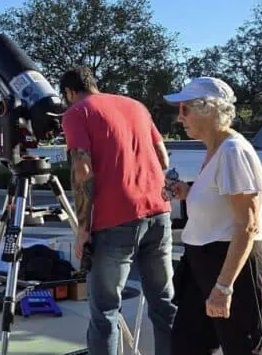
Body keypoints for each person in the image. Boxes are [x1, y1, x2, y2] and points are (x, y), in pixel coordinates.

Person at [59, 66, 177, 355]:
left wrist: (83, 231)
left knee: (106, 311)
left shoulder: (77, 113)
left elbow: (83, 170)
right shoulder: (136, 106)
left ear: (70, 92)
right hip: (158, 213)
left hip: (114, 221)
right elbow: (162, 156)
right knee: (163, 303)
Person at [163, 77, 262, 355]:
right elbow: (218, 200)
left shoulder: (233, 152)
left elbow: (247, 225)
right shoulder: (215, 150)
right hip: (203, 263)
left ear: (208, 109)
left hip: (230, 265)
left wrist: (224, 287)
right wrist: (188, 192)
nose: (179, 118)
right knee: (187, 346)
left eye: (185, 109)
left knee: (242, 348)